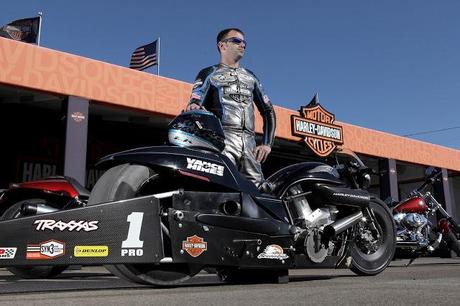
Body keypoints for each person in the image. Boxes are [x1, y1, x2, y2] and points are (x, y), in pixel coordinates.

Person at [185, 28, 276, 186]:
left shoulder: (251, 77)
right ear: (222, 45)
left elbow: (268, 111)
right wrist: (193, 105)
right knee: (222, 187)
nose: (242, 45)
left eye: (244, 42)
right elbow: (195, 101)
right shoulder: (208, 73)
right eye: (236, 41)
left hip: (250, 144)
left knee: (257, 191)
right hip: (223, 141)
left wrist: (267, 144)